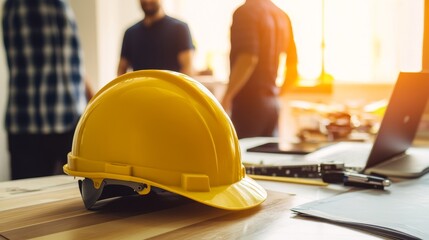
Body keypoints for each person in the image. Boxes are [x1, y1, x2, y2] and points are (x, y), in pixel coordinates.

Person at [2, 0, 93, 180]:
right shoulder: (23, 6)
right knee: (29, 202)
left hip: (68, 118)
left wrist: (94, 99)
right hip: (30, 125)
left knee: (79, 198)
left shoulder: (61, 6)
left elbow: (71, 64)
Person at [221, 0, 298, 139]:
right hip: (272, 104)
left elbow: (248, 58)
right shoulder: (282, 15)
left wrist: (227, 96)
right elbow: (293, 68)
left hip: (248, 104)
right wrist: (276, 95)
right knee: (269, 156)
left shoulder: (245, 12)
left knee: (245, 157)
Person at [117, 0, 195, 76]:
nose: (147, 1)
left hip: (169, 88)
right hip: (140, 88)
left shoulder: (180, 29)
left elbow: (187, 69)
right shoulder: (130, 33)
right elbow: (121, 70)